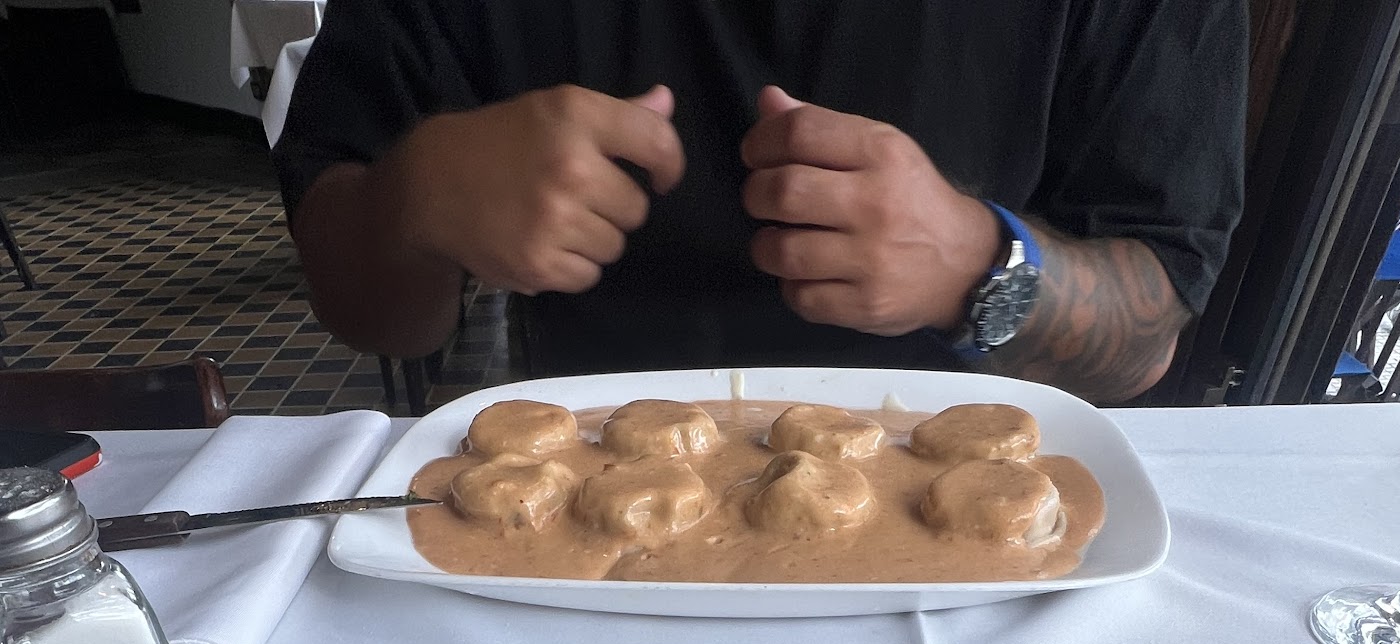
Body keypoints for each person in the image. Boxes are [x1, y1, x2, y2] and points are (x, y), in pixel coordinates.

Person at [274, 2, 1246, 403]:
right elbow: (361, 308)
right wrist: (413, 199)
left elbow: (1146, 340)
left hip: (972, 513)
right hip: (584, 508)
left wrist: (976, 268)